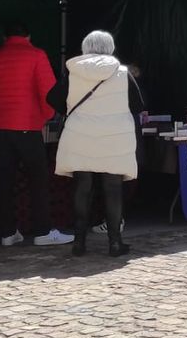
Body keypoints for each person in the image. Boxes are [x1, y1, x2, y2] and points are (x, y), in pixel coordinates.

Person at [0, 20, 72, 247]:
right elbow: (49, 93)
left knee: (5, 181)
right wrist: (42, 117)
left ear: (4, 37)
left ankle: (8, 233)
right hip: (28, 127)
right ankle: (43, 231)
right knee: (38, 180)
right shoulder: (37, 55)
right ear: (28, 36)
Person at [55, 30, 139, 257]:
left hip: (80, 133)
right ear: (111, 47)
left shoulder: (73, 71)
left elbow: (52, 98)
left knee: (83, 188)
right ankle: (115, 243)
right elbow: (139, 104)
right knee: (113, 189)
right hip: (115, 137)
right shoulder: (123, 73)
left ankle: (79, 243)